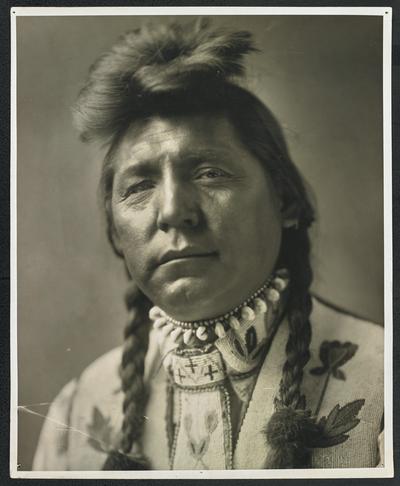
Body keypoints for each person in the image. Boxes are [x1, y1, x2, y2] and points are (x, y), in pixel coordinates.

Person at [32, 18, 384, 471]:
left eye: (209, 172)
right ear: (116, 233)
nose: (174, 211)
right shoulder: (77, 414)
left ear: (286, 201)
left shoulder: (384, 386)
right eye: (139, 185)